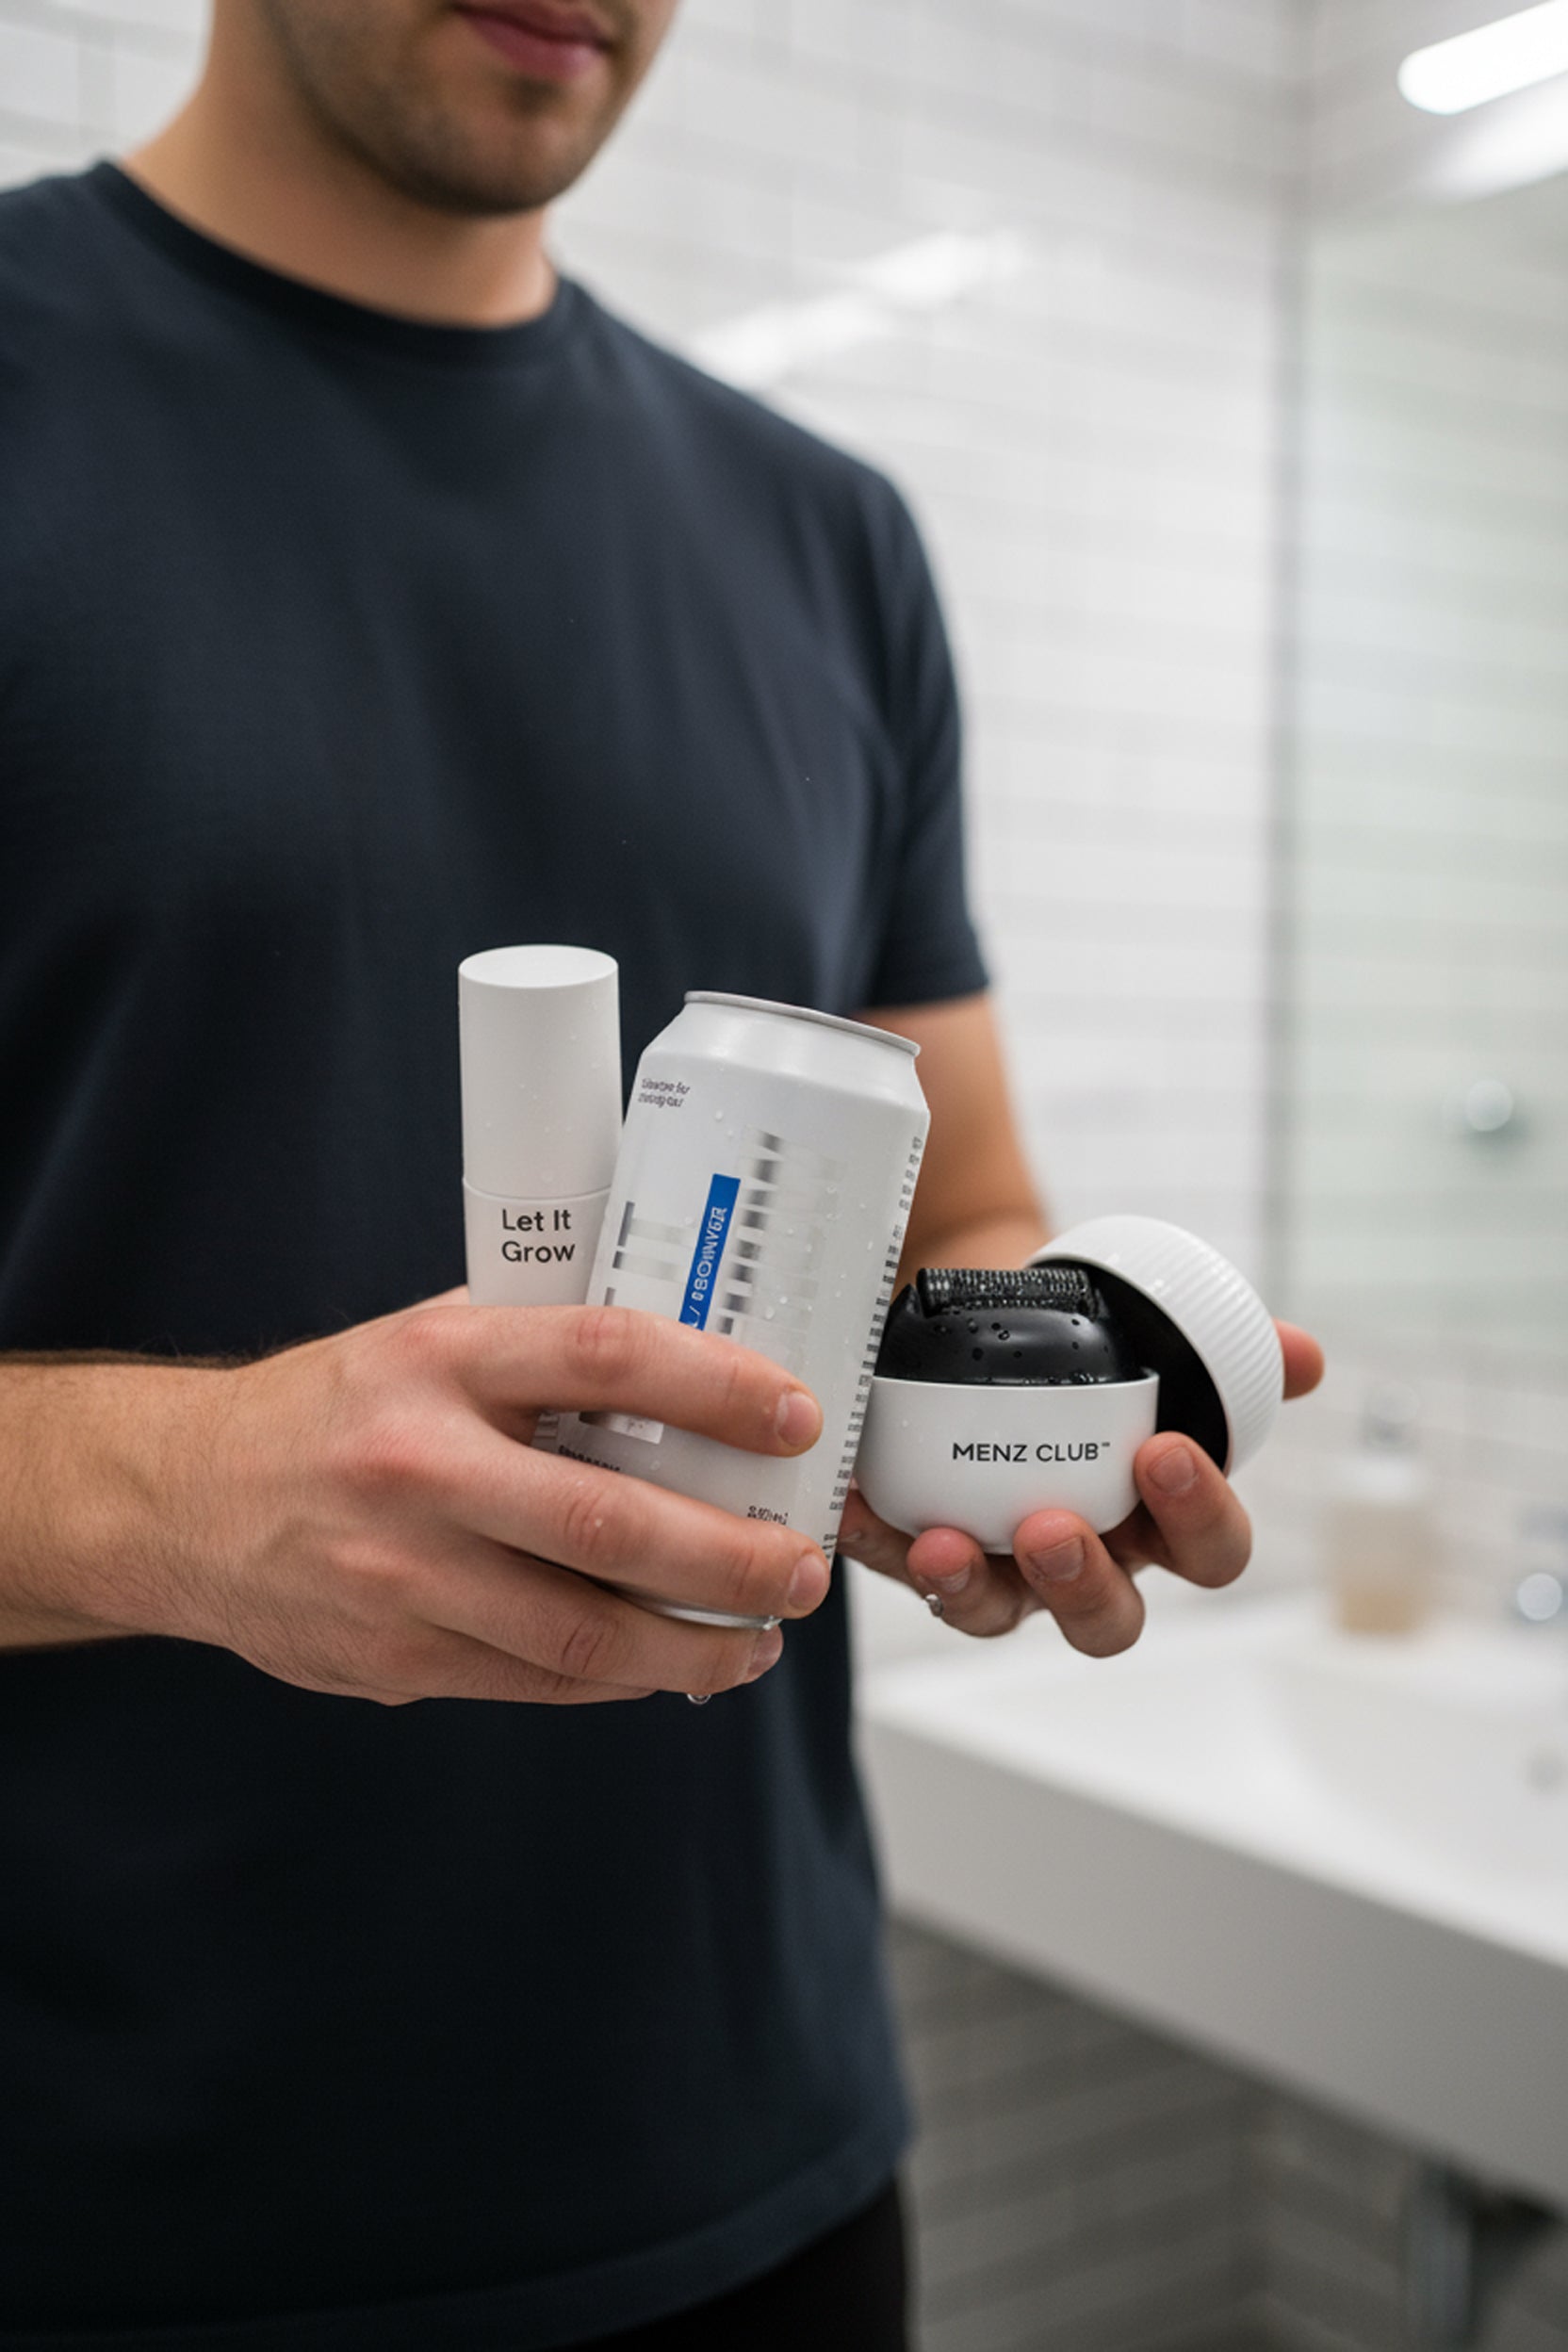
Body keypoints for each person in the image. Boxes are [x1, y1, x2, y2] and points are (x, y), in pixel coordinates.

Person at [0, 3, 1323, 2344]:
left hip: (757, 2184)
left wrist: (1002, 1443)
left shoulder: (828, 541)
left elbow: (970, 1211)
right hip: (105, 2224)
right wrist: (178, 1491)